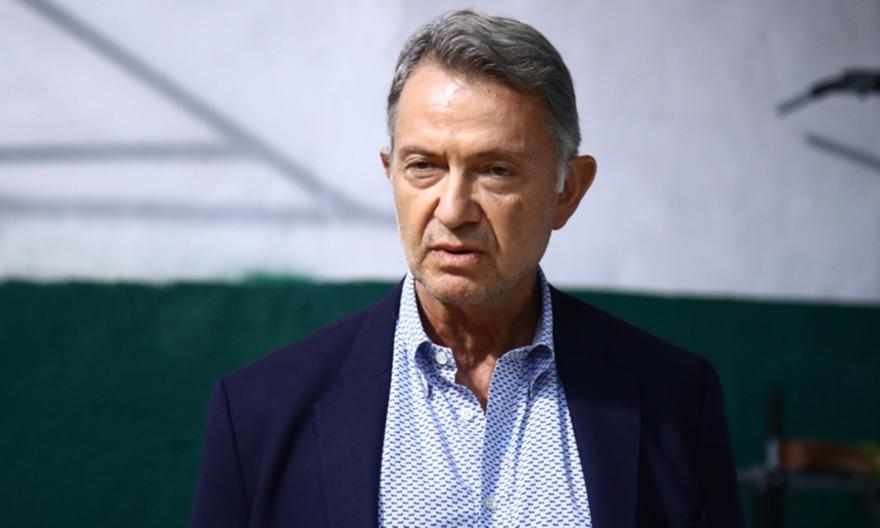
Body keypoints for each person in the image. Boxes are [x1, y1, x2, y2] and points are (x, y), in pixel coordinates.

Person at [191, 9, 744, 528]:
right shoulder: (259, 414)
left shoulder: (673, 400)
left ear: (568, 191)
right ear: (390, 174)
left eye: (496, 170)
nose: (453, 210)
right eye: (424, 166)